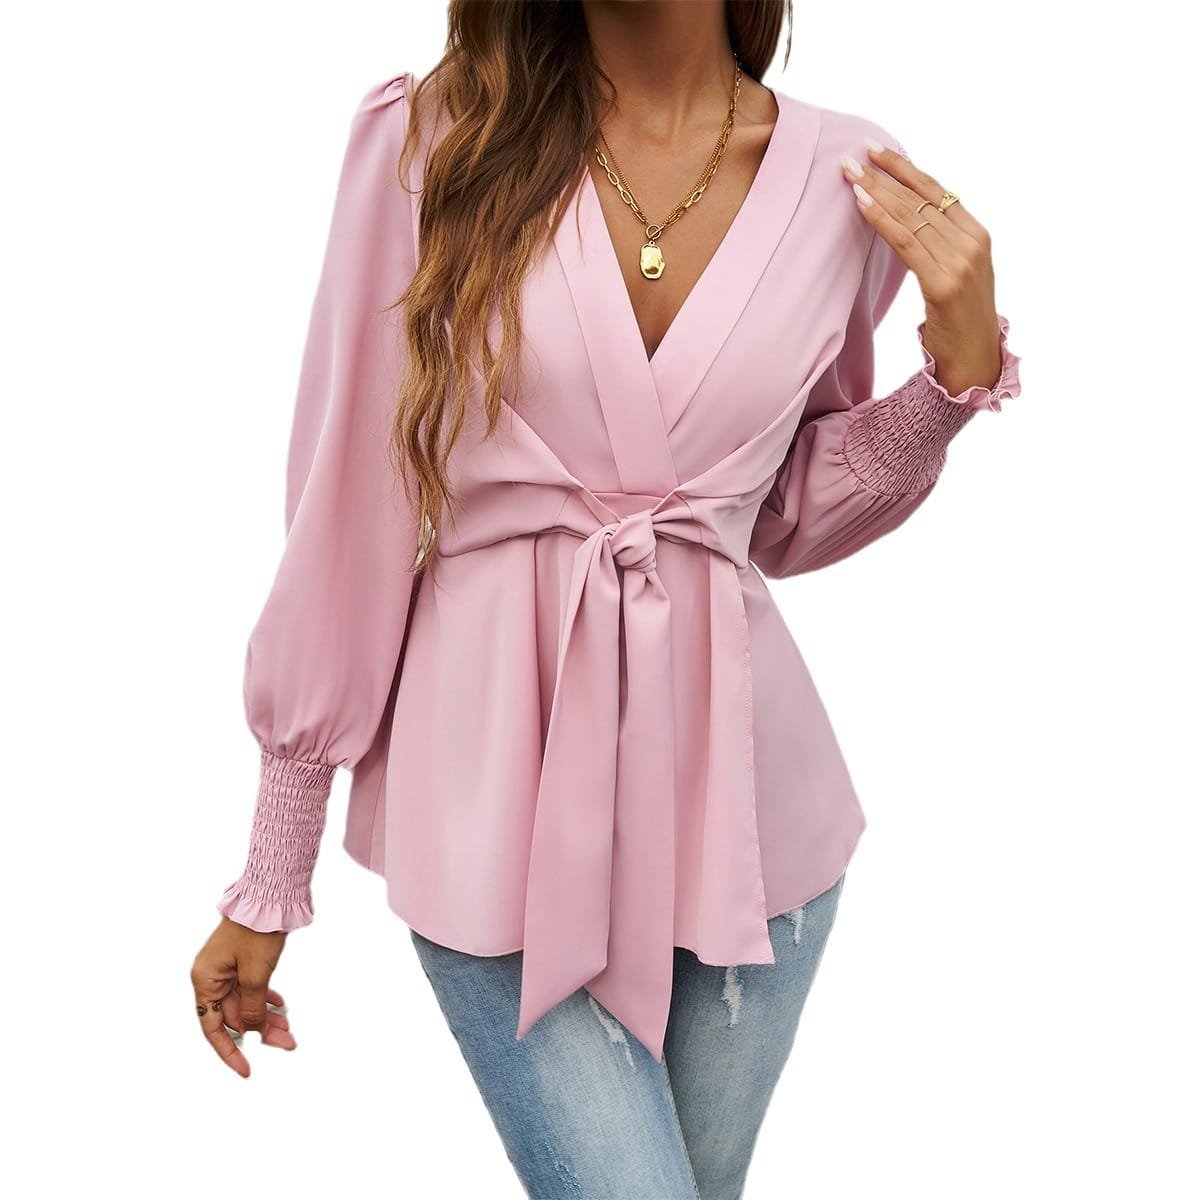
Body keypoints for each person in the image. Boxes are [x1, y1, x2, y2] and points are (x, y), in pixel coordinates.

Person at [191, 2, 1022, 1196]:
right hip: (492, 815)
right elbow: (349, 512)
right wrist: (276, 862)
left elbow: (778, 518)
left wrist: (954, 380)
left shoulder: (850, 180)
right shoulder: (435, 141)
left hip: (747, 836)